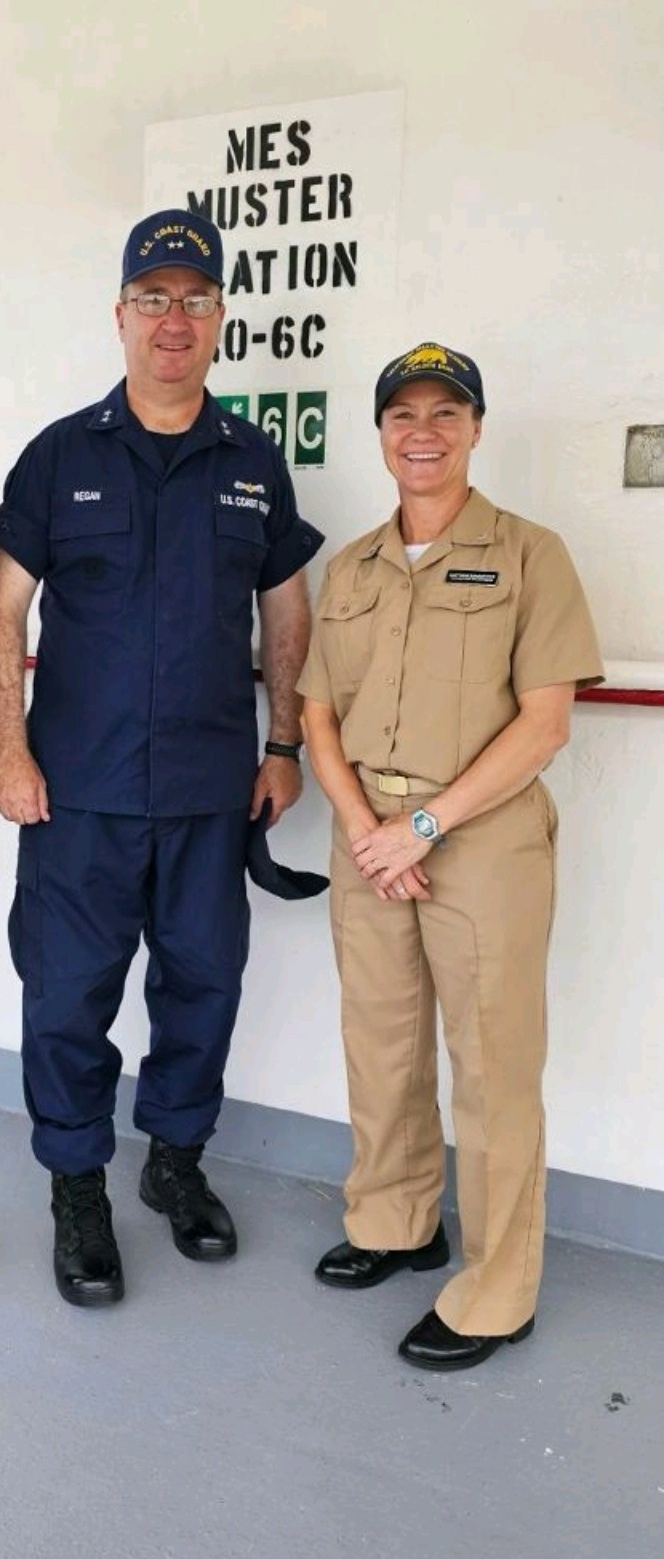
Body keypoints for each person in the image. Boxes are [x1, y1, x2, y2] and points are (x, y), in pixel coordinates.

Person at [0, 208, 323, 1307]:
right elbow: (3, 615)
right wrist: (8, 745)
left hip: (208, 792)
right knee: (68, 996)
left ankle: (173, 1162)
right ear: (119, 315)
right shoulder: (60, 456)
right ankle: (78, 1182)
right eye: (152, 298)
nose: (173, 319)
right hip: (75, 793)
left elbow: (287, 606)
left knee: (203, 988)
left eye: (193, 298)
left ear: (220, 318)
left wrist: (281, 744)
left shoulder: (252, 461)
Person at [301, 341, 603, 1371]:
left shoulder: (530, 554)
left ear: (476, 429)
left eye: (444, 413)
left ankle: (497, 1291)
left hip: (479, 845)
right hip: (368, 842)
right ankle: (395, 1224)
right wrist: (363, 830)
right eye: (402, 415)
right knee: (380, 1049)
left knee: (492, 1070)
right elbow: (314, 713)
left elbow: (545, 722)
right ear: (380, 433)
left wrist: (421, 828)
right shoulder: (351, 566)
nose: (421, 432)